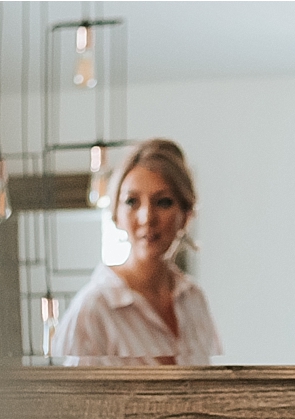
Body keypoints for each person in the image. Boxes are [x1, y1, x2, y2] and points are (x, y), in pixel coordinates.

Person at [50, 138, 222, 365]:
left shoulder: (194, 300)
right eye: (132, 202)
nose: (147, 218)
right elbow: (68, 399)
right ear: (116, 215)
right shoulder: (93, 310)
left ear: (185, 214)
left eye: (163, 202)